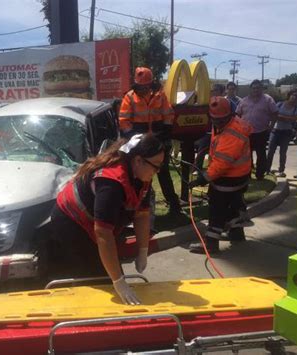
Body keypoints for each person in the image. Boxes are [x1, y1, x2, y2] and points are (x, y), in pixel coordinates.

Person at [52, 134, 164, 305]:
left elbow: (142, 215)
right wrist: (118, 282)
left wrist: (143, 251)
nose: (157, 171)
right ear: (138, 160)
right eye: (155, 166)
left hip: (93, 221)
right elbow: (103, 234)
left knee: (108, 272)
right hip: (70, 222)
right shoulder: (111, 183)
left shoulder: (142, 177)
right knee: (97, 278)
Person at [188, 97, 253, 254]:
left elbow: (221, 164)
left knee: (217, 208)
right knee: (234, 204)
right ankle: (237, 234)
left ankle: (211, 244)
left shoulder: (231, 134)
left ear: (230, 115)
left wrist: (202, 178)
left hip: (229, 178)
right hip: (240, 175)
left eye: (221, 119)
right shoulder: (228, 124)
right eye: (214, 119)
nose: (217, 122)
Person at [119, 67, 181, 215]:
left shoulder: (160, 96)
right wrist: (135, 138)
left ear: (151, 84)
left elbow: (168, 114)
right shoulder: (129, 97)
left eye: (146, 86)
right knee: (140, 176)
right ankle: (138, 208)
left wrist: (165, 133)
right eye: (141, 86)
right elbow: (124, 121)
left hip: (158, 139)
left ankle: (174, 205)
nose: (143, 89)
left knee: (163, 173)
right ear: (136, 85)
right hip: (140, 143)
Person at [236, 80, 279, 180]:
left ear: (261, 89)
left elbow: (275, 113)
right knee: (246, 154)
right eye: (254, 88)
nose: (256, 90)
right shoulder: (244, 100)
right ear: (250, 89)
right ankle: (247, 173)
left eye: (258, 88)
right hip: (245, 133)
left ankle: (260, 174)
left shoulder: (268, 99)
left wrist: (271, 126)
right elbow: (237, 114)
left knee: (261, 154)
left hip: (261, 131)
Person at [266, 89, 297, 177]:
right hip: (275, 131)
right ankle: (267, 169)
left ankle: (281, 170)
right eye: (293, 95)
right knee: (270, 151)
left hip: (286, 132)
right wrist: (287, 118)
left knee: (283, 152)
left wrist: (281, 117)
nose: (294, 97)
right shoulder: (280, 104)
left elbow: (294, 119)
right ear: (289, 95)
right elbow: (274, 115)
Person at [195, 83, 225, 171]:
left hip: (221, 132)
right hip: (207, 131)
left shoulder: (226, 103)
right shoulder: (207, 102)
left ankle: (215, 169)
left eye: (216, 90)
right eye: (212, 90)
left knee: (218, 152)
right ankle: (197, 169)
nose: (213, 92)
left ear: (221, 92)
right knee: (201, 151)